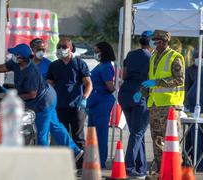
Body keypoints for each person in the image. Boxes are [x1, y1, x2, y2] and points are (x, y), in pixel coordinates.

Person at [0, 43, 84, 161]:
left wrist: (13, 96)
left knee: (41, 133)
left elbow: (32, 94)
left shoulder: (31, 72)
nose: (12, 56)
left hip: (44, 102)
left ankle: (42, 162)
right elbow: (3, 67)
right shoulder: (16, 63)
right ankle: (76, 152)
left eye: (15, 54)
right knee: (55, 126)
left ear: (22, 58)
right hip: (46, 97)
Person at [133, 30, 185, 179]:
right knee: (157, 140)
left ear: (162, 42)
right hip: (155, 104)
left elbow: (179, 79)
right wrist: (142, 92)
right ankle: (161, 172)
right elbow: (151, 79)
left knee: (170, 140)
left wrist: (158, 82)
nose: (153, 44)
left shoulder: (175, 57)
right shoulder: (154, 56)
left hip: (170, 106)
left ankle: (174, 172)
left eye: (155, 42)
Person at [47, 37, 92, 167]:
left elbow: (88, 84)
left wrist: (84, 99)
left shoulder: (79, 63)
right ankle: (65, 165)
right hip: (59, 106)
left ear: (70, 48)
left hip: (77, 106)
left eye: (64, 47)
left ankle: (81, 165)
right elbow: (49, 85)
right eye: (58, 47)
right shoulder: (54, 65)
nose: (61, 49)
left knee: (78, 137)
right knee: (63, 136)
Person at [118, 30, 152, 178]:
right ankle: (129, 167)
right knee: (137, 133)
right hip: (140, 94)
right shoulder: (152, 57)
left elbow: (123, 75)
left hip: (125, 94)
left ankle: (141, 167)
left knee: (136, 134)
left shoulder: (131, 55)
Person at [87, 41, 116, 169]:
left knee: (101, 134)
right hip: (95, 103)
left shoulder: (106, 67)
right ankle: (93, 160)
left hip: (102, 102)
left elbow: (110, 87)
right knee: (92, 133)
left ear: (104, 52)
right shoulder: (101, 65)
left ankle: (101, 161)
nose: (96, 54)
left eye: (97, 51)